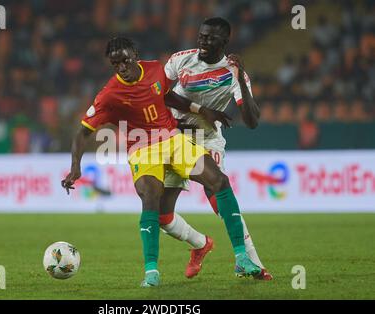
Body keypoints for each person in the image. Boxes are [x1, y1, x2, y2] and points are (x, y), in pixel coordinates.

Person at [61, 37, 261, 287]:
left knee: (219, 180)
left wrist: (201, 110)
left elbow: (167, 96)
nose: (122, 67)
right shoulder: (109, 94)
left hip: (172, 140)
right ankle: (151, 272)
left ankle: (242, 257)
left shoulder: (155, 68)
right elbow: (83, 132)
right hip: (142, 149)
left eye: (125, 60)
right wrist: (75, 167)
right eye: (116, 64)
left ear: (135, 54)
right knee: (151, 199)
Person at [159, 17, 273, 280]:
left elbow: (252, 121)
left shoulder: (233, 74)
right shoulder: (182, 59)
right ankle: (200, 244)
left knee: (218, 190)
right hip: (174, 136)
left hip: (206, 138)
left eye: (210, 37)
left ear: (224, 41)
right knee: (162, 216)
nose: (203, 41)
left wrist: (241, 80)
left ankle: (248, 261)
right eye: (201, 35)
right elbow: (160, 93)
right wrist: (201, 109)